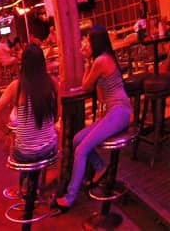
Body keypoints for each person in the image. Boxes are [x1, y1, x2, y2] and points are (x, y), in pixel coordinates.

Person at [53, 26, 132, 211]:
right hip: (116, 111)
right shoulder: (104, 58)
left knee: (81, 151)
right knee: (77, 139)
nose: (85, 43)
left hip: (120, 112)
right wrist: (89, 61)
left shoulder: (101, 60)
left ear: (95, 42)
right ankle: (100, 167)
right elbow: (100, 94)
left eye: (87, 40)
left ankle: (70, 198)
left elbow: (86, 85)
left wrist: (87, 61)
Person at [0, 44, 58, 189]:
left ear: (23, 63)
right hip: (50, 149)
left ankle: (27, 185)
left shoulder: (17, 86)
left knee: (18, 146)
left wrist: (8, 133)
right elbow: (58, 114)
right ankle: (34, 184)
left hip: (25, 153)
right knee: (39, 146)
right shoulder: (51, 82)